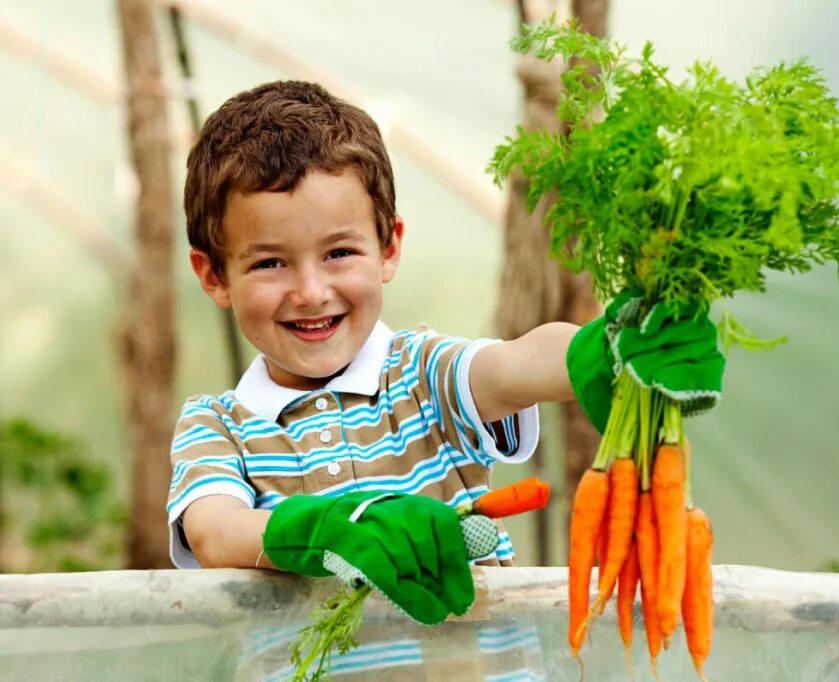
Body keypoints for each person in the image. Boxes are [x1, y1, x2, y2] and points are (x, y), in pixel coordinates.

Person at [168, 79, 722, 678]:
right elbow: (215, 530)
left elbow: (511, 366)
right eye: (270, 262)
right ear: (214, 275)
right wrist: (327, 527)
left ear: (388, 247)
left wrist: (598, 350)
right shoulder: (219, 423)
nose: (311, 291)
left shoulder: (422, 373)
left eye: (338, 253)